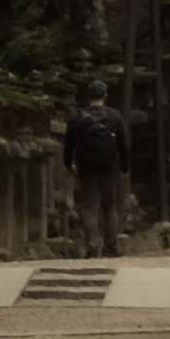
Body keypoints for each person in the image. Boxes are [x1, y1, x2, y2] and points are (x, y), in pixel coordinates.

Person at [61, 84, 130, 256]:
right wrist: (124, 167)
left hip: (86, 167)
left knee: (89, 206)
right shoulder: (115, 116)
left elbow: (68, 145)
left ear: (87, 96)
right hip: (109, 167)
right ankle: (111, 246)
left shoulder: (77, 118)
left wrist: (68, 164)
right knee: (110, 205)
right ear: (105, 96)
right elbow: (123, 144)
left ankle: (92, 246)